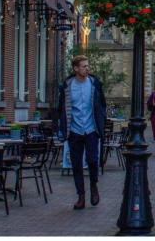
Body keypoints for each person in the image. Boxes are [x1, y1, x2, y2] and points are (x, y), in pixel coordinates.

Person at [58, 54, 107, 210]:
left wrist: (101, 122)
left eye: (88, 66)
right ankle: (81, 196)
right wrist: (61, 127)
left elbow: (102, 104)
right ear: (76, 68)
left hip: (91, 129)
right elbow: (61, 109)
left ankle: (93, 186)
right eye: (84, 66)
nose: (87, 68)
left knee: (93, 160)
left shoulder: (94, 83)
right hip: (75, 130)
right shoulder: (67, 86)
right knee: (76, 165)